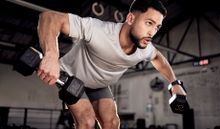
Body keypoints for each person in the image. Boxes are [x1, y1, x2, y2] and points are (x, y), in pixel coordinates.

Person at [36, 0, 187, 128]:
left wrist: (174, 83)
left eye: (157, 27)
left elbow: (158, 58)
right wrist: (51, 56)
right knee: (87, 122)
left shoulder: (144, 48)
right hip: (71, 76)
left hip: (99, 84)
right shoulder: (98, 30)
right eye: (149, 23)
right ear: (130, 19)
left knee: (112, 123)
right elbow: (49, 17)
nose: (152, 32)